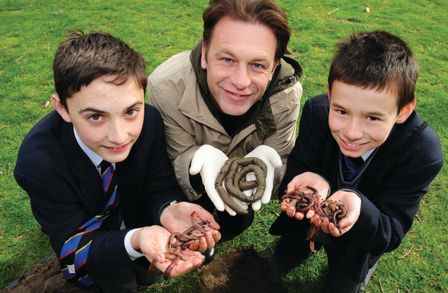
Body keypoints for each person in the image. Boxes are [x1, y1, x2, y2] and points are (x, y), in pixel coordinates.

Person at [14, 31, 221, 293]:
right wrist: (134, 239)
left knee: (143, 275)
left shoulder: (150, 123)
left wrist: (169, 208)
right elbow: (73, 247)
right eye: (96, 117)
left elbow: (159, 185)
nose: (120, 136)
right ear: (62, 109)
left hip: (130, 217)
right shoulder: (38, 165)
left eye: (131, 111)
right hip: (79, 224)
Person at [269, 30, 443, 292]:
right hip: (304, 220)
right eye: (340, 111)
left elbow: (391, 231)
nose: (351, 132)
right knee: (282, 258)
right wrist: (311, 181)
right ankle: (297, 248)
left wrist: (359, 206)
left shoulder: (421, 152)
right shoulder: (317, 112)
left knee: (342, 285)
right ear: (329, 95)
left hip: (361, 239)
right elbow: (298, 169)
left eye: (372, 118)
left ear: (403, 111)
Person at [147, 0, 303, 239]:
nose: (241, 82)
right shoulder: (166, 87)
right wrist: (194, 161)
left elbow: (279, 160)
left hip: (243, 188)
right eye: (227, 59)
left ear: (273, 68)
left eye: (257, 65)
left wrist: (267, 165)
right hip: (189, 187)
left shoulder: (287, 93)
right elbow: (175, 157)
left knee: (236, 223)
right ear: (205, 56)